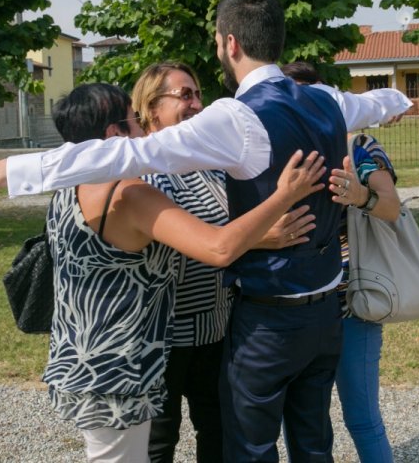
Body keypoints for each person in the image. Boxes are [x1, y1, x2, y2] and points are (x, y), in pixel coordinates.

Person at [0, 0, 412, 461]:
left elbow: (130, 152)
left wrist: (5, 171)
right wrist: (401, 104)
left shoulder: (237, 116)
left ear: (229, 43)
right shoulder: (327, 100)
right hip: (326, 312)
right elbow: (382, 101)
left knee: (249, 449)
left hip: (268, 319)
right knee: (313, 444)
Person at [42, 82, 325, 462]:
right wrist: (283, 197)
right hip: (118, 368)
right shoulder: (130, 194)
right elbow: (218, 247)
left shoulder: (67, 187)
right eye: (134, 120)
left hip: (77, 357)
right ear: (114, 133)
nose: (143, 130)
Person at [131, 62, 315, 462]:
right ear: (150, 107)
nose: (197, 104)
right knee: (159, 440)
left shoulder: (207, 164)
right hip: (163, 335)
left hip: (215, 328)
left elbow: (230, 228)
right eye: (185, 95)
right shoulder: (143, 172)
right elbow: (185, 248)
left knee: (216, 430)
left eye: (198, 94)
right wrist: (260, 240)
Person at [283, 61, 402, 463]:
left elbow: (391, 209)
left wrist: (360, 195)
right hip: (298, 304)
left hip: (352, 303)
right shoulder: (279, 151)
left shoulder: (359, 147)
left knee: (362, 418)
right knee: (300, 419)